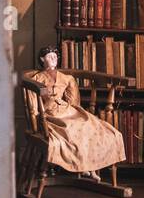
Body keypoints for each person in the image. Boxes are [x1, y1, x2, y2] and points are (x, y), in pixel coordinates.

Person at [23, 46, 126, 179]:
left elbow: (73, 100)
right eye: (49, 56)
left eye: (55, 56)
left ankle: (90, 167)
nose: (53, 58)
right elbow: (33, 104)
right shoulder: (37, 79)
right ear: (42, 59)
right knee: (69, 129)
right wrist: (38, 114)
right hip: (49, 112)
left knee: (88, 123)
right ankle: (83, 166)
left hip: (67, 109)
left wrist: (73, 108)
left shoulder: (66, 78)